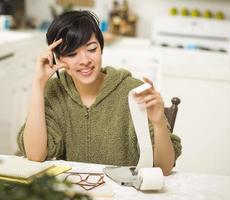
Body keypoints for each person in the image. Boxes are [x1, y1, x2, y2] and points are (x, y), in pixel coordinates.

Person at [17, 10, 181, 175]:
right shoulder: (54, 91)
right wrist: (39, 84)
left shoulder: (133, 92)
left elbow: (163, 168)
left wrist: (159, 123)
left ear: (101, 48)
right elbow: (35, 155)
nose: (85, 60)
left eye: (92, 49)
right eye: (72, 54)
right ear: (58, 58)